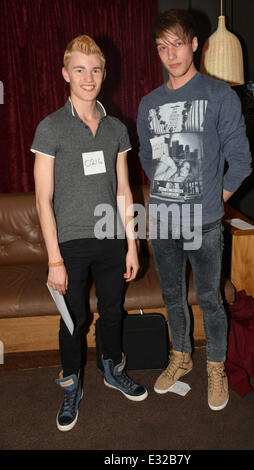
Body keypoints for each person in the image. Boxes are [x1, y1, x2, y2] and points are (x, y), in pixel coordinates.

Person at [137, 9, 252, 411]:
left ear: (195, 44)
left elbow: (241, 160)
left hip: (203, 222)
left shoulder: (219, 95)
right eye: (162, 47)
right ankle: (181, 356)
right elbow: (147, 158)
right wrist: (168, 187)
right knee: (171, 296)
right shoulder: (149, 103)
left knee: (210, 298)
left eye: (178, 44)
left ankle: (216, 367)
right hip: (163, 221)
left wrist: (213, 197)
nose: (171, 54)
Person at [32, 35, 147, 432]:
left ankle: (112, 369)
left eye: (95, 69)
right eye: (79, 69)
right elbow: (42, 199)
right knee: (73, 319)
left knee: (113, 311)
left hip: (112, 238)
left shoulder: (117, 128)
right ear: (65, 74)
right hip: (70, 243)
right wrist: (54, 259)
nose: (88, 77)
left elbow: (122, 190)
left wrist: (133, 245)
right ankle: (71, 383)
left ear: (104, 74)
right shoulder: (50, 128)